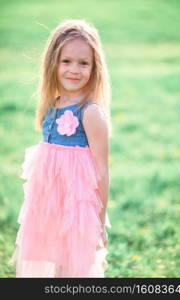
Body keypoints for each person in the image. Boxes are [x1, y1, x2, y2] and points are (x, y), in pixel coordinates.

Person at [9, 19, 112, 278]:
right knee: (50, 263)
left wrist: (99, 223)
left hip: (75, 211)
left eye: (83, 63)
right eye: (66, 61)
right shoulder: (51, 106)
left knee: (72, 268)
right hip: (48, 206)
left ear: (94, 66)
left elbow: (101, 172)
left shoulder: (90, 113)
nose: (74, 70)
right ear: (53, 63)